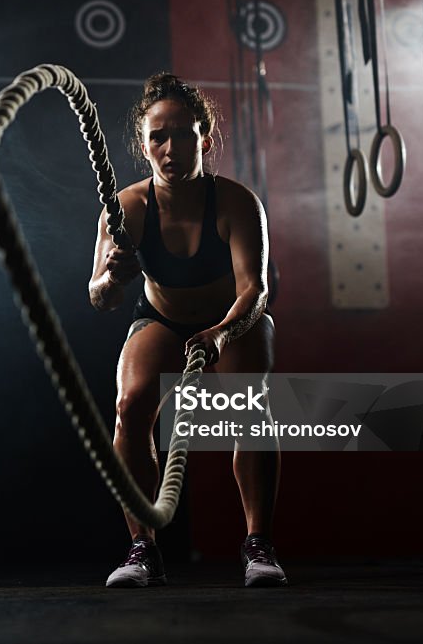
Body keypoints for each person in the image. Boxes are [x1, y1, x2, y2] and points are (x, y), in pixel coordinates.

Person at [88, 73, 285, 588]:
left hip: (233, 317)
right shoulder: (126, 207)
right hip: (163, 318)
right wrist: (114, 275)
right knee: (129, 407)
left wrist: (221, 335)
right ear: (144, 144)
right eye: (157, 136)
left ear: (205, 138)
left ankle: (258, 544)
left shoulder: (238, 203)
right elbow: (100, 298)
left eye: (181, 134)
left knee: (249, 406)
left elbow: (256, 291)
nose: (169, 148)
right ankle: (141, 551)